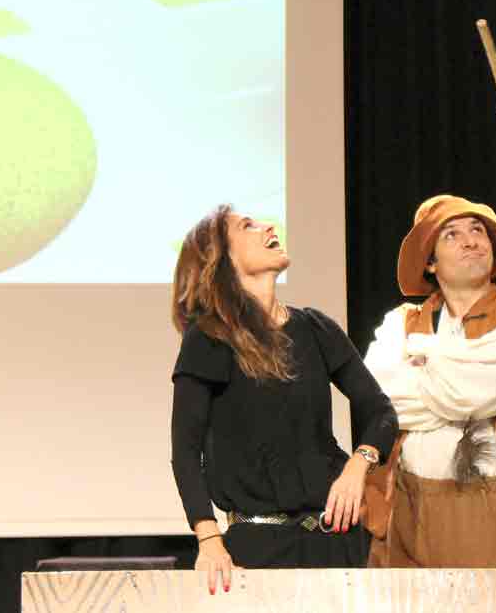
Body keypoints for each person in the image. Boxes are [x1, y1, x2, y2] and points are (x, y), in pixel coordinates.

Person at [169, 205, 397, 594]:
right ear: (220, 256)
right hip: (256, 552)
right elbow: (186, 451)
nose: (268, 227)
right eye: (247, 226)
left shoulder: (315, 328)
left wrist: (359, 465)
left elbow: (381, 412)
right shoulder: (209, 338)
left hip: (336, 542)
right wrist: (208, 540)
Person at [361, 194, 496, 568]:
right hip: (405, 504)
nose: (471, 240)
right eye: (451, 235)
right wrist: (473, 385)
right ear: (430, 262)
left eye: (478, 231)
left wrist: (427, 357)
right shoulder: (400, 322)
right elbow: (382, 400)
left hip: (490, 504)